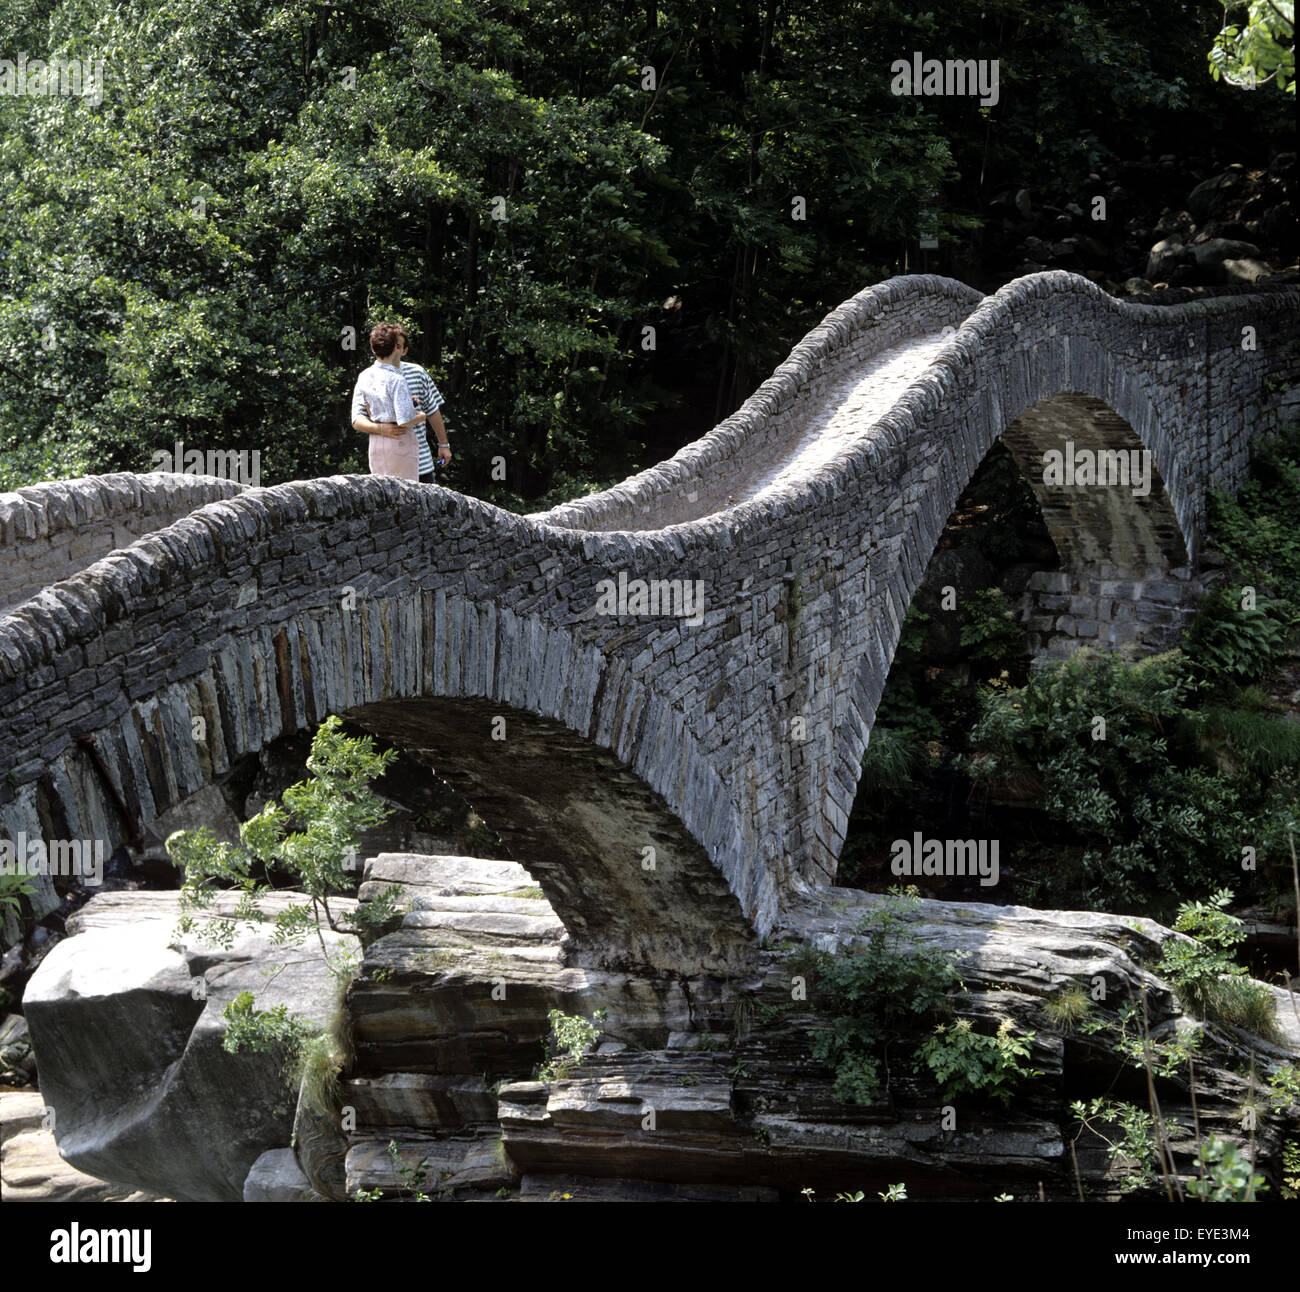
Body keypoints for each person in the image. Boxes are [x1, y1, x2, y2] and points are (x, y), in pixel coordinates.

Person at [352, 325, 452, 484]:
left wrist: (443, 444)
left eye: (398, 345)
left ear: (404, 350)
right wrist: (381, 428)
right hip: (391, 454)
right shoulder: (368, 377)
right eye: (392, 344)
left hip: (422, 462)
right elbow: (357, 419)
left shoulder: (417, 372)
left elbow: (433, 410)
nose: (395, 348)